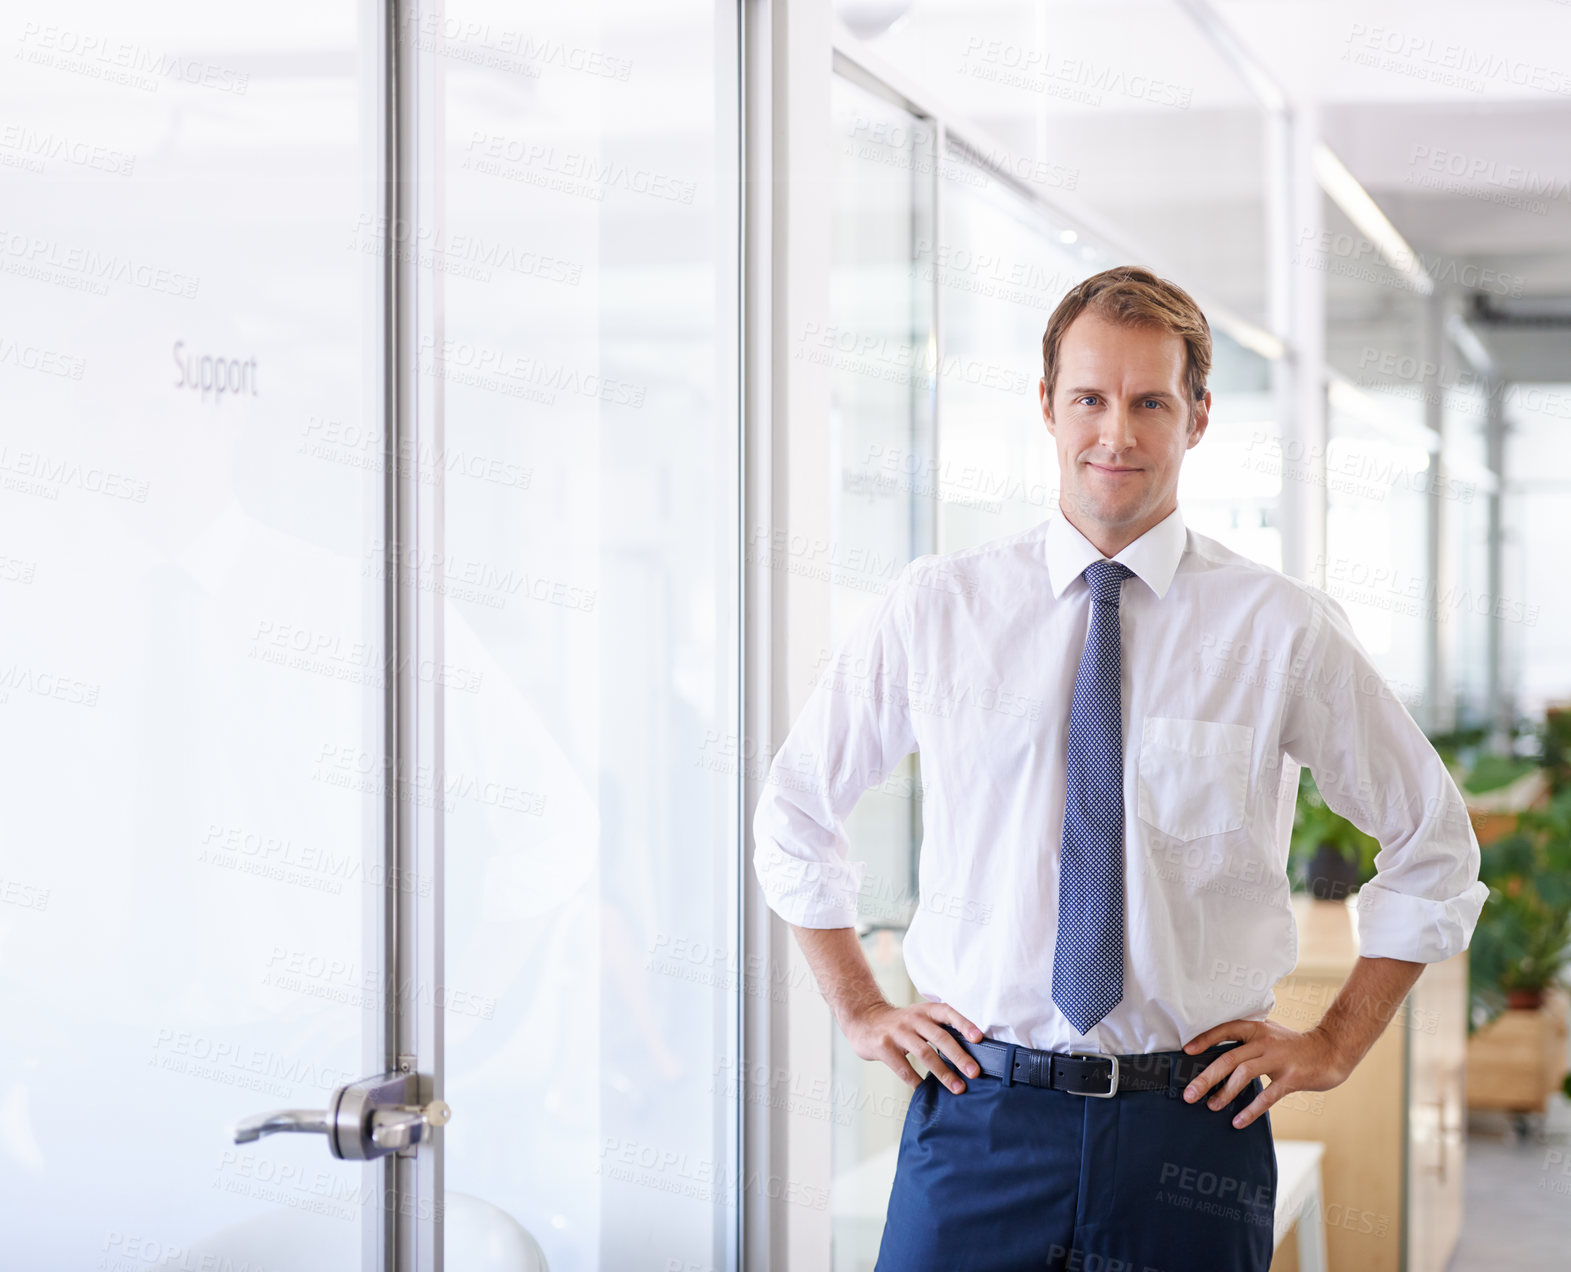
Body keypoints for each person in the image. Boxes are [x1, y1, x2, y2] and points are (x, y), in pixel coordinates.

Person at [750, 265, 1489, 1271]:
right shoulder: (937, 610)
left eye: (1150, 402)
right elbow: (794, 810)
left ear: (1197, 417)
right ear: (1046, 406)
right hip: (979, 1122)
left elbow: (1432, 846)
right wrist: (859, 1006)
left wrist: (1335, 1042)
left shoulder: (1277, 629)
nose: (1117, 433)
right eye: (1089, 399)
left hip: (1188, 1129)